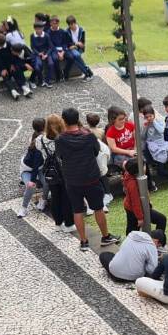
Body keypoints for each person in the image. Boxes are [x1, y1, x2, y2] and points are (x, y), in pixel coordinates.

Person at [56, 107, 117, 250]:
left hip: (72, 180)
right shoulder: (88, 136)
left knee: (77, 210)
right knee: (98, 208)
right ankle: (105, 236)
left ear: (64, 121)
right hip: (91, 178)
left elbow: (61, 156)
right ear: (78, 119)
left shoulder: (60, 139)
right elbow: (96, 152)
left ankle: (83, 241)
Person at [140, 105, 168, 187]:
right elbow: (142, 137)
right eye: (147, 117)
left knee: (160, 171)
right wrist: (145, 127)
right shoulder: (145, 124)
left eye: (150, 116)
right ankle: (150, 185)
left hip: (160, 147)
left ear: (154, 115)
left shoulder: (159, 121)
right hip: (150, 147)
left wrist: (153, 122)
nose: (149, 118)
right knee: (145, 163)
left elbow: (161, 131)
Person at [101, 229, 167, 283]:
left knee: (104, 255)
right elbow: (151, 270)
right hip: (132, 278)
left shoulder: (131, 235)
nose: (157, 248)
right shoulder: (152, 246)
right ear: (157, 241)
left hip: (114, 272)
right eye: (158, 246)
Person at [121, 158, 166, 235]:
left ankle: (155, 238)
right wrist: (140, 218)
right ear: (138, 170)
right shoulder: (133, 184)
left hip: (134, 207)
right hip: (134, 210)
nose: (146, 167)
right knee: (133, 231)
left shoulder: (129, 174)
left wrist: (148, 201)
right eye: (144, 166)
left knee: (132, 230)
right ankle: (156, 239)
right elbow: (136, 203)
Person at [17, 118, 47, 218]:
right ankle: (23, 208)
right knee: (30, 186)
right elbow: (35, 164)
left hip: (40, 167)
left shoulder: (38, 137)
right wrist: (32, 180)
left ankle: (44, 199)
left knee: (47, 182)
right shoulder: (38, 142)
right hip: (28, 169)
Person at [30, 18, 56, 87]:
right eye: (37, 29)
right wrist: (38, 53)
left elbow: (51, 47)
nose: (39, 30)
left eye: (40, 29)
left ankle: (48, 80)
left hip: (46, 53)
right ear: (34, 29)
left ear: (43, 28)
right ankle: (41, 81)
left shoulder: (46, 35)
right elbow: (32, 47)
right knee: (38, 66)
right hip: (37, 53)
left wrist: (46, 54)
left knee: (51, 64)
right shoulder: (32, 36)